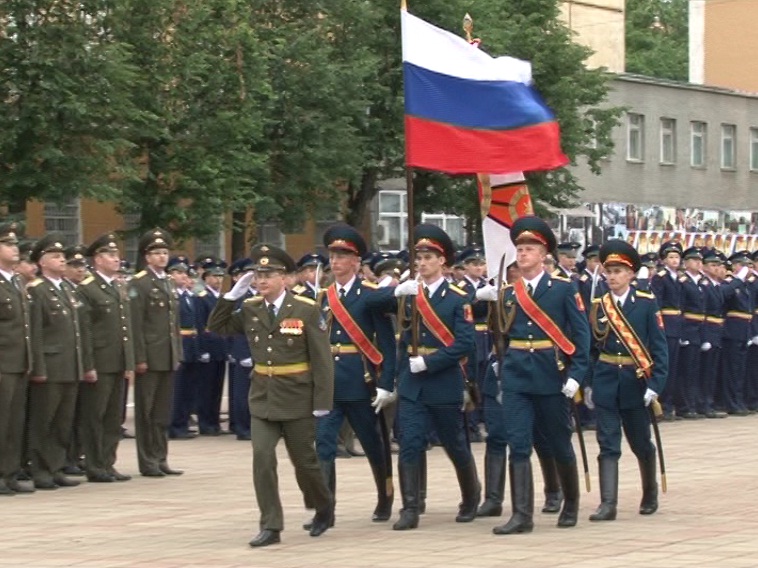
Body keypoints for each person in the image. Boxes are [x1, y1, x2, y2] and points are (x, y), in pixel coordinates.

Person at [207, 243, 334, 548]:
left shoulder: (306, 309)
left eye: (269, 274)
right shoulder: (251, 308)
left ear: (286, 278)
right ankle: (271, 525)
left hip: (297, 398)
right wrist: (230, 297)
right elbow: (217, 326)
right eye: (258, 274)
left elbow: (322, 360)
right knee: (262, 459)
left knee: (305, 463)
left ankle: (323, 505)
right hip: (263, 397)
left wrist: (321, 403)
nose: (261, 280)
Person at [482, 216, 590, 534]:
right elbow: (499, 335)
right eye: (520, 248)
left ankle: (570, 503)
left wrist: (577, 376)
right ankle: (521, 515)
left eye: (529, 248)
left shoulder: (562, 290)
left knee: (558, 442)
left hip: (550, 374)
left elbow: (581, 337)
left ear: (543, 255)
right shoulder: (508, 292)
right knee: (518, 443)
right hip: (516, 375)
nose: (523, 253)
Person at [368, 224, 480, 531]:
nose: (422, 263)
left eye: (429, 257)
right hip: (412, 383)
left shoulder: (458, 297)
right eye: (419, 257)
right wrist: (395, 289)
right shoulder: (408, 293)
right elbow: (369, 304)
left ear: (442, 261)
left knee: (454, 442)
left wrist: (430, 362)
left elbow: (465, 342)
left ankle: (471, 496)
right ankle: (411, 507)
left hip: (442, 379)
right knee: (410, 442)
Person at [313, 224, 397, 526]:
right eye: (332, 256)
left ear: (356, 262)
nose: (335, 261)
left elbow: (387, 343)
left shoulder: (371, 296)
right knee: (323, 444)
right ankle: (325, 511)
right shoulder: (322, 297)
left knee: (373, 443)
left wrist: (387, 383)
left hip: (361, 383)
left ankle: (384, 496)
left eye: (343, 256)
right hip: (329, 384)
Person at [585, 240, 668, 521]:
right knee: (608, 443)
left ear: (631, 275)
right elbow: (591, 349)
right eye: (609, 271)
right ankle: (608, 503)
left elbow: (659, 348)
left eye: (619, 271)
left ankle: (650, 491)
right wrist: (587, 383)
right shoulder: (598, 306)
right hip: (607, 380)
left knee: (640, 442)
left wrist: (655, 384)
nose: (612, 276)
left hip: (636, 382)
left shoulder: (646, 303)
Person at [27, 233, 95, 489]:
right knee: (44, 420)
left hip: (70, 364)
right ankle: (41, 469)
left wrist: (86, 365)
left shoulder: (68, 289)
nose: (61, 260)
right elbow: (35, 333)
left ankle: (56, 466)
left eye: (62, 256)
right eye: (55, 256)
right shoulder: (37, 290)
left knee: (63, 421)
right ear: (41, 262)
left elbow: (81, 332)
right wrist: (38, 368)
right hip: (51, 365)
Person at [76, 233, 134, 482]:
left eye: (116, 254)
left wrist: (129, 362)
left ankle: (108, 462)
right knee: (95, 416)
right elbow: (86, 331)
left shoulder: (117, 286)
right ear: (97, 259)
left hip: (118, 362)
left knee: (114, 417)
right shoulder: (87, 288)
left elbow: (126, 329)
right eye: (110, 255)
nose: (116, 259)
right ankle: (94, 464)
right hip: (100, 362)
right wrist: (88, 365)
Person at [129, 228, 183, 477]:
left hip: (167, 355)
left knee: (162, 412)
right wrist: (139, 358)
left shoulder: (167, 282)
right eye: (157, 253)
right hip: (149, 357)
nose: (162, 257)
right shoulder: (139, 283)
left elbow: (174, 324)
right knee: (147, 412)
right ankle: (147, 460)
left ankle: (161, 457)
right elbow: (136, 324)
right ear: (146, 256)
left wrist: (177, 353)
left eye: (165, 252)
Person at [0, 223, 34, 495]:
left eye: (15, 245)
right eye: (8, 245)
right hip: (2, 363)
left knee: (14, 421)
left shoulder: (16, 282)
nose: (15, 249)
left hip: (19, 362)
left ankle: (9, 473)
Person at [194, 258, 228, 436]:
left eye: (221, 276)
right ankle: (205, 423)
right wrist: (202, 350)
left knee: (217, 388)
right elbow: (200, 325)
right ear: (206, 278)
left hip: (220, 349)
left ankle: (214, 422)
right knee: (205, 389)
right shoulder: (202, 298)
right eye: (214, 276)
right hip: (208, 348)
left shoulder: (221, 298)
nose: (218, 280)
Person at [651, 241, 683, 420]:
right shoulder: (660, 277)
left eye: (677, 257)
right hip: (667, 325)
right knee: (664, 366)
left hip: (677, 325)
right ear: (663, 260)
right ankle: (660, 405)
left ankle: (669, 404)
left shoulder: (679, 278)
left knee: (674, 368)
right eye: (671, 257)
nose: (675, 260)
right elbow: (658, 304)